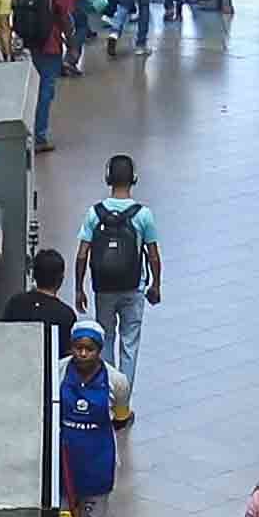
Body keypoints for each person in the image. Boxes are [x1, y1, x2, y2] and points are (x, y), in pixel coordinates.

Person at [79, 156, 164, 422]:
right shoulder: (143, 215)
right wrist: (155, 284)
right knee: (130, 343)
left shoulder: (95, 213)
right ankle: (122, 408)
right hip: (132, 287)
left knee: (105, 340)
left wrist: (79, 288)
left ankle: (105, 396)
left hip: (103, 287)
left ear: (107, 179)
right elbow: (152, 255)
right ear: (134, 179)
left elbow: (82, 254)